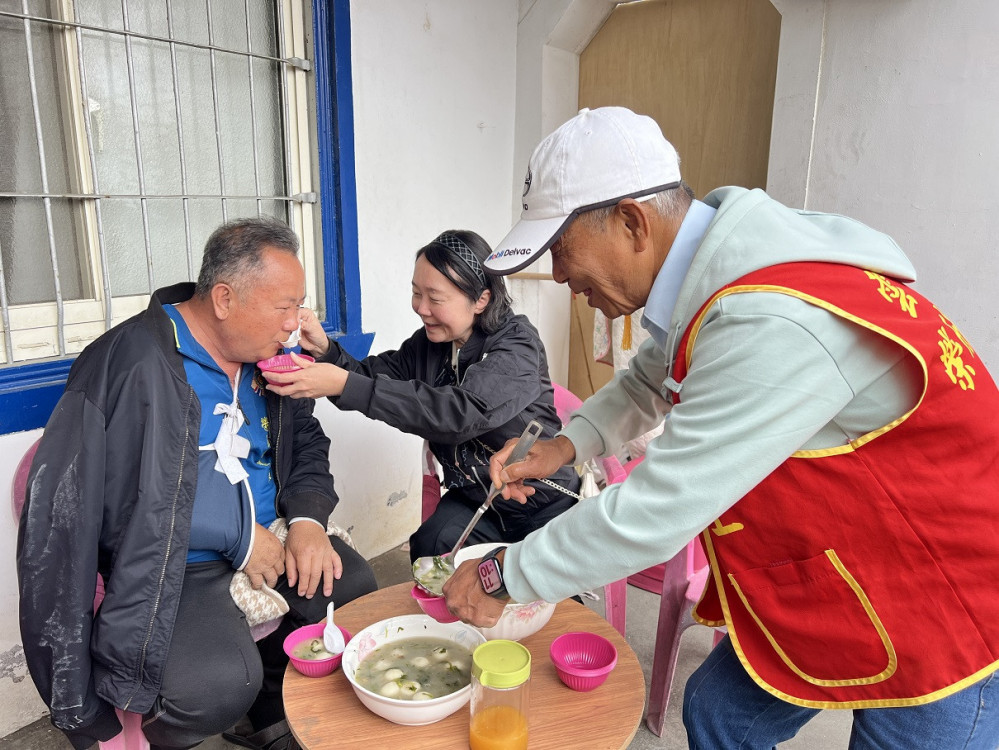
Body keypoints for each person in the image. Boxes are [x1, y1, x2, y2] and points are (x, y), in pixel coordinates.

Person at [441, 107, 999, 749]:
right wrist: (566, 445)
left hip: (945, 588)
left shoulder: (770, 319)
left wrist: (505, 575)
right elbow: (653, 376)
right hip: (847, 563)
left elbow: (656, 512)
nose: (562, 278)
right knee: (716, 712)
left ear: (630, 223)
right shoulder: (718, 275)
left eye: (563, 252)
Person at [17, 217, 377, 750]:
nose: (295, 325)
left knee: (350, 592)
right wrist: (239, 534)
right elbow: (95, 505)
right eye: (284, 307)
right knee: (216, 682)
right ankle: (166, 736)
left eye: (299, 306)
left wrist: (306, 520)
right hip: (173, 562)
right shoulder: (132, 363)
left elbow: (306, 443)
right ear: (225, 298)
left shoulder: (268, 362)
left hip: (272, 534)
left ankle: (271, 717)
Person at [261, 229, 580, 561]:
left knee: (551, 591)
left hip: (539, 501)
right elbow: (371, 377)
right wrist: (325, 350)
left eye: (435, 297)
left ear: (481, 299)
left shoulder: (518, 347)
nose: (421, 308)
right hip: (476, 498)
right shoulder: (428, 344)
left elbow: (460, 414)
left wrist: (343, 383)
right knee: (430, 550)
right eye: (416, 293)